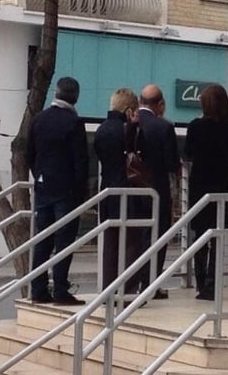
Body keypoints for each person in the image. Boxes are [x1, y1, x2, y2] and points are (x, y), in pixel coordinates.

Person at [27, 76, 89, 305]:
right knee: (64, 241)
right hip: (66, 191)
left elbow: (29, 154)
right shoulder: (74, 123)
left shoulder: (39, 119)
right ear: (76, 97)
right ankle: (61, 289)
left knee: (43, 239)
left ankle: (38, 288)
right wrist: (81, 191)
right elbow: (80, 161)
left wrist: (40, 175)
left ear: (56, 93)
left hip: (43, 187)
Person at [185, 85, 228, 300]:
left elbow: (188, 152)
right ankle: (212, 283)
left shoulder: (195, 126)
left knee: (200, 235)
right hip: (222, 185)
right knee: (218, 237)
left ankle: (200, 281)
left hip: (200, 185)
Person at [94, 88, 147, 295]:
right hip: (128, 189)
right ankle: (128, 289)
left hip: (107, 190)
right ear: (128, 110)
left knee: (111, 242)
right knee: (132, 242)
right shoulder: (128, 131)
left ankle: (108, 288)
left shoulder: (101, 130)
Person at [136, 84, 181, 299]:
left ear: (140, 101)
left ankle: (132, 281)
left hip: (132, 189)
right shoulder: (164, 127)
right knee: (158, 236)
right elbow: (171, 163)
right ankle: (151, 283)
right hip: (157, 189)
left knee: (135, 237)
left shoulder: (130, 123)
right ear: (161, 104)